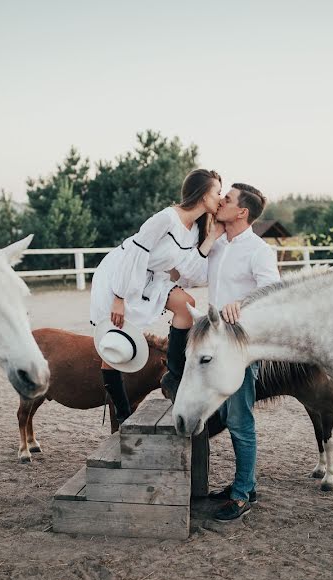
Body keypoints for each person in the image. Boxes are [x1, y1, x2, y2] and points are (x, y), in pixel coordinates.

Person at [177, 183, 280, 521]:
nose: (221, 201)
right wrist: (212, 236)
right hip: (211, 344)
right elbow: (189, 276)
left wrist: (242, 302)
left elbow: (272, 292)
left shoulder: (259, 250)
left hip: (239, 348)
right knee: (220, 415)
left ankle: (242, 494)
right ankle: (244, 483)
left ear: (243, 212)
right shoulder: (218, 244)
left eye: (228, 199)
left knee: (239, 420)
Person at [89, 169, 224, 425]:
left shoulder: (195, 229)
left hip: (152, 278)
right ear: (204, 193)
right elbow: (134, 253)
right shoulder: (166, 218)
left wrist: (214, 236)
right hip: (120, 275)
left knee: (187, 306)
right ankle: (122, 410)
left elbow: (192, 269)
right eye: (217, 192)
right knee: (116, 344)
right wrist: (119, 296)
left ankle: (173, 375)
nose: (220, 198)